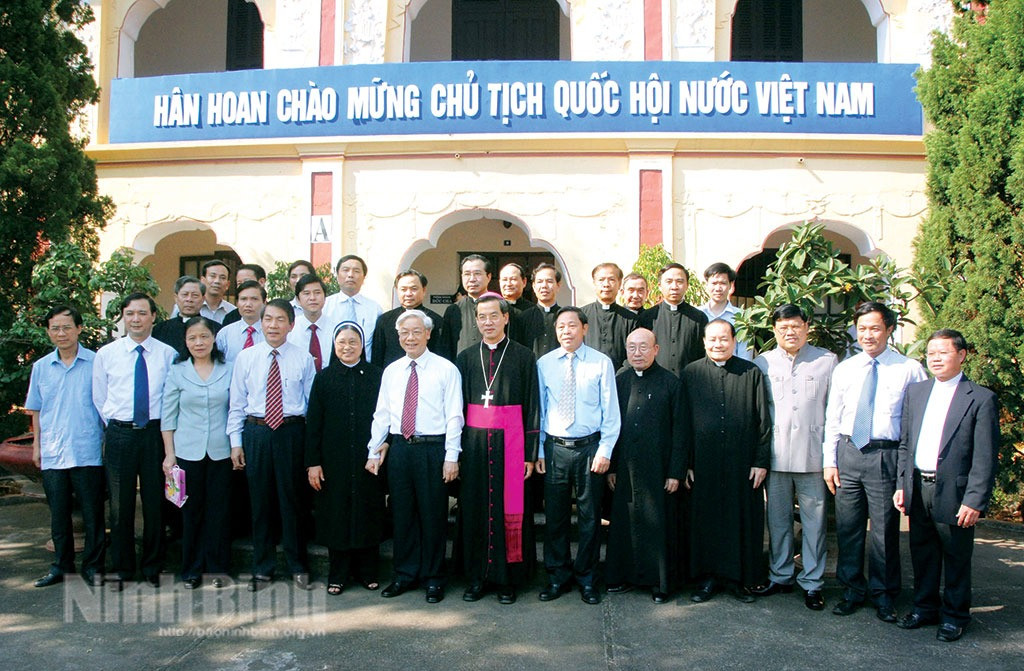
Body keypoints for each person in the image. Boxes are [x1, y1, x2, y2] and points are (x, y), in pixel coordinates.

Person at [894, 329, 999, 642]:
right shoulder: (917, 392)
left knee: (956, 555)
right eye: (930, 353)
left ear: (961, 355)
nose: (935, 359)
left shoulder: (980, 398)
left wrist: (975, 499)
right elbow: (905, 444)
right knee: (922, 552)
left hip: (955, 491)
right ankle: (924, 607)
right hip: (918, 484)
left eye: (943, 352)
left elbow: (985, 456)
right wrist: (902, 483)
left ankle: (955, 615)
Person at [824, 302, 926, 621]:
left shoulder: (909, 369)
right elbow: (832, 417)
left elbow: (916, 423)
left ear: (890, 330)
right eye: (862, 328)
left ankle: (884, 594)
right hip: (849, 451)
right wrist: (830, 461)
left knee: (884, 530)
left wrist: (907, 473)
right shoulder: (845, 368)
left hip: (886, 454)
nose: (867, 335)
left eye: (875, 328)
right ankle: (852, 589)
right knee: (848, 527)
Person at [366, 309, 463, 604]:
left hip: (433, 449)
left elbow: (454, 416)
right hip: (400, 449)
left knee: (433, 515)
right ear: (398, 336)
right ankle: (405, 574)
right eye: (404, 333)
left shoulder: (446, 369)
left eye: (416, 331)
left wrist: (451, 456)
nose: (410, 337)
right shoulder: (392, 370)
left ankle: (434, 578)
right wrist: (374, 448)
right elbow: (382, 414)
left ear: (428, 334)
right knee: (403, 514)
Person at [455, 293, 540, 605]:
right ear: (476, 321)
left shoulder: (523, 356)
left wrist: (531, 452)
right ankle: (477, 578)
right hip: (475, 446)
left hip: (512, 444)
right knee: (477, 507)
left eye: (493, 316)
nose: (487, 322)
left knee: (510, 510)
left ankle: (507, 579)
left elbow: (533, 405)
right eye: (482, 317)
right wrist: (457, 451)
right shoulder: (465, 358)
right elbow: (457, 408)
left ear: (506, 318)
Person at [752, 305, 838, 610]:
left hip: (813, 457)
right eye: (784, 327)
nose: (790, 332)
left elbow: (834, 411)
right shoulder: (762, 362)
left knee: (815, 524)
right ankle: (780, 575)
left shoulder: (826, 361)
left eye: (796, 326)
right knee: (778, 521)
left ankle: (813, 583)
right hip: (775, 458)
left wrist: (831, 457)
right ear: (774, 329)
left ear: (807, 327)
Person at [228, 299, 317, 591]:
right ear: (261, 322)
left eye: (281, 320)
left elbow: (310, 406)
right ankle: (262, 568)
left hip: (291, 433)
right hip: (257, 433)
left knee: (292, 502)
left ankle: (297, 566)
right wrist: (236, 442)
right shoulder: (247, 358)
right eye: (268, 319)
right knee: (261, 502)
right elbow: (237, 404)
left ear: (291, 325)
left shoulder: (303, 359)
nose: (273, 325)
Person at [93, 292, 177, 589]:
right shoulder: (107, 354)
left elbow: (171, 399)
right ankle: (122, 568)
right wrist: (119, 426)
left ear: (154, 316)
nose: (136, 319)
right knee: (120, 505)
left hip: (155, 434)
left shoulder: (168, 354)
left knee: (155, 503)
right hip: (120, 435)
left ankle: (153, 566)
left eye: (143, 313)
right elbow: (100, 397)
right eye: (130, 314)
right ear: (123, 318)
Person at [536, 307, 620, 605]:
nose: (566, 332)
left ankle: (587, 578)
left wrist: (605, 450)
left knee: (589, 518)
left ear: (584, 328)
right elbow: (541, 410)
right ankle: (557, 576)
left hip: (589, 449)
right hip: (555, 449)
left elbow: (611, 412)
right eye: (561, 327)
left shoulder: (601, 363)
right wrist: (539, 449)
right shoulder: (544, 364)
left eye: (572, 326)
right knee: (555, 518)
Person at [685, 319, 771, 603]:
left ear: (734, 341)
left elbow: (763, 421)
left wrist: (761, 461)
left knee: (741, 520)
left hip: (742, 464)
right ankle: (707, 579)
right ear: (704, 342)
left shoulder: (751, 373)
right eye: (712, 339)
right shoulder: (691, 373)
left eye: (724, 339)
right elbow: (682, 424)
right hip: (703, 464)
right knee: (706, 521)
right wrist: (685, 463)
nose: (717, 344)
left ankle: (741, 580)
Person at [25, 306, 106, 588]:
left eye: (66, 327)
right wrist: (37, 446)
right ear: (48, 331)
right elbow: (36, 409)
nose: (61, 333)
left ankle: (94, 567)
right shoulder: (41, 367)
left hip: (88, 449)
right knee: (58, 515)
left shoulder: (97, 363)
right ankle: (61, 565)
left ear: (79, 329)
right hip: (54, 450)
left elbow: (105, 408)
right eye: (55, 328)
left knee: (93, 514)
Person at [605, 328, 686, 603]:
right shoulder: (619, 381)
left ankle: (658, 582)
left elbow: (680, 432)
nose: (637, 353)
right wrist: (613, 466)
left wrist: (675, 471)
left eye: (643, 347)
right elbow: (610, 427)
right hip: (625, 469)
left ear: (656, 349)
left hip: (658, 470)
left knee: (657, 525)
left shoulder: (671, 383)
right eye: (631, 347)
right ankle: (624, 576)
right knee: (625, 523)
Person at [306, 322, 386, 596]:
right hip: (334, 461)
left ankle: (367, 572)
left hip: (368, 459)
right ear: (334, 345)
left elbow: (386, 416)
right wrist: (313, 462)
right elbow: (314, 423)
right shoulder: (324, 378)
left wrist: (383, 445)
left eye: (353, 342)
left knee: (367, 513)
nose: (347, 347)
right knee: (336, 515)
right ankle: (337, 574)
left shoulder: (377, 376)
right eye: (342, 342)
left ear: (362, 346)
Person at [160, 317, 233, 589]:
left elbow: (235, 408)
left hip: (221, 451)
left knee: (219, 512)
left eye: (204, 337)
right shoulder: (177, 371)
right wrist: (170, 455)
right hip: (186, 452)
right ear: (185, 342)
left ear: (213, 339)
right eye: (192, 338)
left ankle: (218, 568)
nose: (198, 343)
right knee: (190, 513)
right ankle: (191, 569)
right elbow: (168, 417)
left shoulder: (229, 368)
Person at [637, 263, 707, 377]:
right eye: (669, 282)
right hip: (655, 381)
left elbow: (703, 354)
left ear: (687, 285)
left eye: (679, 281)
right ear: (659, 285)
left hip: (689, 382)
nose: (674, 286)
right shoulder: (647, 317)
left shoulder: (699, 318)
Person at [371, 270, 444, 367]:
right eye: (403, 289)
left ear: (424, 290)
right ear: (397, 290)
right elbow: (377, 357)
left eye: (414, 289)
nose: (408, 294)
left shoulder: (436, 321)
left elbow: (441, 356)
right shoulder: (384, 320)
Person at [324, 255, 383, 361]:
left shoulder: (374, 308)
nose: (350, 275)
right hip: (331, 369)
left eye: (356, 271)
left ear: (364, 277)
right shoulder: (324, 306)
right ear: (337, 276)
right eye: (345, 270)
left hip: (364, 371)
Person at [580, 263, 636, 370]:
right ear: (594, 283)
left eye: (611, 279)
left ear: (619, 284)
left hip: (620, 380)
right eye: (601, 280)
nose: (606, 284)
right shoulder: (581, 315)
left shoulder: (630, 319)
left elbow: (632, 352)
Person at [441, 254, 492, 360]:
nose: (472, 279)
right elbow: (446, 347)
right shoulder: (453, 310)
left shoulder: (501, 307)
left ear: (489, 276)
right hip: (461, 370)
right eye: (467, 274)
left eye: (477, 274)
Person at [699, 263, 751, 360]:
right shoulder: (697, 314)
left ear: (731, 285)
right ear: (707, 285)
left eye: (723, 283)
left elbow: (745, 353)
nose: (718, 288)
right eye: (714, 283)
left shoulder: (742, 317)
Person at [288, 274, 336, 373]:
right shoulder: (289, 328)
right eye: (306, 293)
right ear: (298, 300)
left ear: (325, 297)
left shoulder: (336, 328)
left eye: (317, 293)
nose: (312, 298)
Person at [154, 275, 210, 353]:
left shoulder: (213, 328)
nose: (189, 299)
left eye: (195, 295)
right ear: (176, 298)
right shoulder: (160, 329)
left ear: (203, 299)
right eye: (185, 294)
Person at [215, 280, 266, 362]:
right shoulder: (225, 334)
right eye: (243, 299)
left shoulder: (271, 333)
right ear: (237, 303)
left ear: (264, 302)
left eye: (254, 299)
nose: (248, 304)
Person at [500, 262, 545, 351]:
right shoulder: (494, 308)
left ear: (524, 282)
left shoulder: (533, 310)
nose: (508, 284)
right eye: (504, 280)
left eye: (513, 279)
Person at [530, 262, 563, 359]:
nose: (544, 286)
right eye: (540, 281)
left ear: (558, 285)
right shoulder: (524, 317)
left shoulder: (564, 316)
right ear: (534, 286)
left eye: (549, 281)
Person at [199, 259, 235, 323]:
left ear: (227, 284)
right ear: (203, 280)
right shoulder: (189, 307)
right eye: (213, 276)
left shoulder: (233, 311)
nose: (217, 281)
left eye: (222, 278)